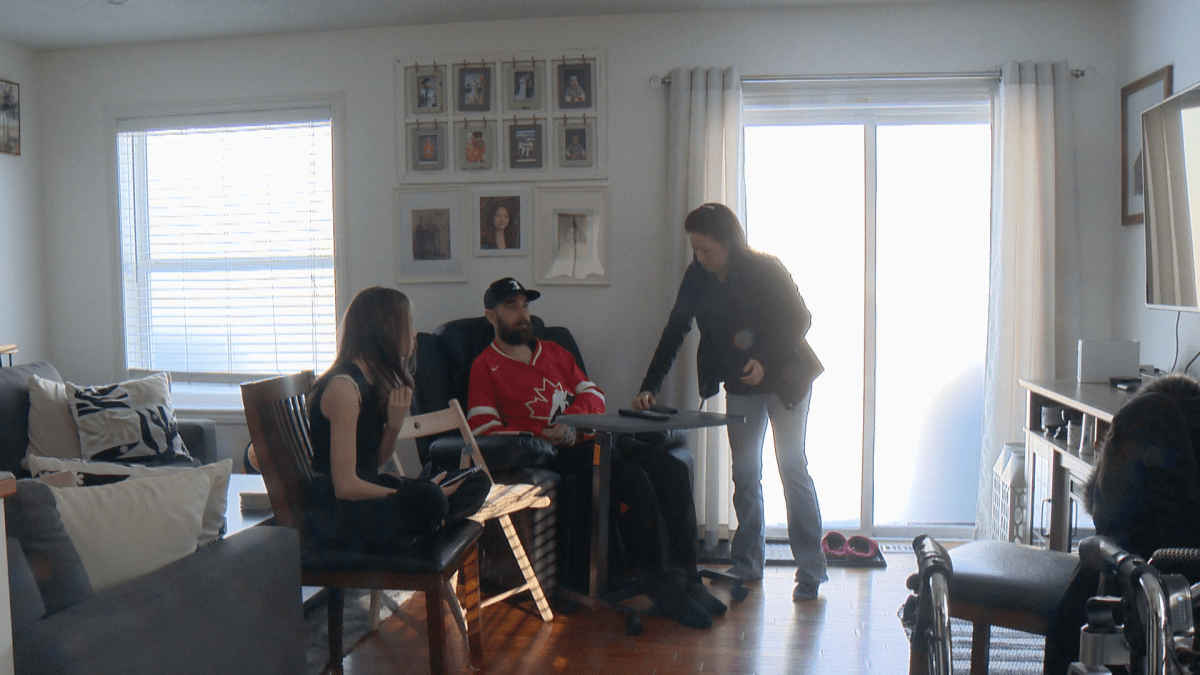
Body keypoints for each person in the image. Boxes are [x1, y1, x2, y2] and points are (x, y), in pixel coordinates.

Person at [466, 277, 726, 629]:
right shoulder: (485, 366)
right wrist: (542, 433)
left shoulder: (555, 351)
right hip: (555, 454)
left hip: (594, 438)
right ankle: (662, 588)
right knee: (632, 481)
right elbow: (482, 430)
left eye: (525, 305)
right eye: (512, 307)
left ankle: (689, 581)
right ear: (491, 316)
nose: (523, 314)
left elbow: (595, 395)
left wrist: (573, 420)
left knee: (672, 470)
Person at [632, 202, 827, 602]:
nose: (701, 258)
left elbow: (800, 318)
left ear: (729, 242)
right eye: (696, 251)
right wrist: (650, 384)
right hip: (741, 383)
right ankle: (748, 562)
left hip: (787, 377)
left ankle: (810, 568)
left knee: (792, 467)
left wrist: (766, 360)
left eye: (707, 250)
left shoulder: (765, 268)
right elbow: (675, 329)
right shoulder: (697, 278)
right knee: (745, 472)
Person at [306, 286, 491, 552]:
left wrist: (394, 423)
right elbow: (345, 487)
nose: (414, 333)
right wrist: (412, 494)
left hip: (368, 495)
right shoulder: (344, 388)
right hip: (344, 515)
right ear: (385, 330)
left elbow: (375, 461)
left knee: (477, 479)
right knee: (430, 499)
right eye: (409, 324)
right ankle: (434, 514)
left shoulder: (369, 382)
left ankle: (433, 515)